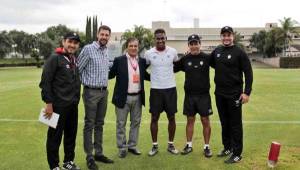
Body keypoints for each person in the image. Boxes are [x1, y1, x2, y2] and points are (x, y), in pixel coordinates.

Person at [210, 26, 253, 164]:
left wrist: (246, 93)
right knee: (224, 122)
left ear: (232, 36)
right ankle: (227, 147)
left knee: (235, 124)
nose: (226, 38)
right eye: (224, 35)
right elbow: (208, 61)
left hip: (234, 94)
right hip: (220, 94)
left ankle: (237, 153)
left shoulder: (239, 52)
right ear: (221, 37)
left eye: (228, 35)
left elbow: (248, 72)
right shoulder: (217, 51)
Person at [39, 32, 81, 170]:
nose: (72, 45)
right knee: (54, 138)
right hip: (57, 106)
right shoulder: (54, 58)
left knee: (71, 135)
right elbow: (45, 83)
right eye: (70, 42)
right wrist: (48, 104)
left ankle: (68, 161)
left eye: (75, 43)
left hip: (72, 105)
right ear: (63, 42)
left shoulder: (74, 58)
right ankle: (54, 166)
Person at [77, 25, 113, 170]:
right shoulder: (88, 49)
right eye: (102, 34)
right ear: (98, 35)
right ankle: (89, 156)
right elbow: (78, 69)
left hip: (104, 92)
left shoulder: (106, 51)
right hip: (91, 92)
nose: (104, 37)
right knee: (89, 124)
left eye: (107, 35)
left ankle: (99, 153)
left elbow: (108, 67)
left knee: (100, 124)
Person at [109, 38, 150, 158]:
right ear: (127, 47)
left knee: (135, 123)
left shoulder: (142, 61)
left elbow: (146, 76)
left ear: (138, 47)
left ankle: (132, 146)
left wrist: (160, 76)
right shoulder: (119, 60)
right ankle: (122, 148)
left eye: (135, 46)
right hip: (123, 97)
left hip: (137, 97)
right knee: (121, 123)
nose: (133, 48)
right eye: (131, 46)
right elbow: (110, 74)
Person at [174, 34, 213, 158]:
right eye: (191, 43)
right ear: (188, 45)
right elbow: (173, 68)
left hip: (203, 96)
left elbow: (221, 65)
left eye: (196, 43)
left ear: (200, 44)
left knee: (205, 120)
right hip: (190, 96)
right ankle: (189, 145)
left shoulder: (207, 58)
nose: (194, 46)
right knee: (190, 120)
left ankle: (206, 147)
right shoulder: (185, 59)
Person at [144, 28, 179, 156]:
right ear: (154, 39)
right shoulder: (149, 53)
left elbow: (177, 66)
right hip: (156, 90)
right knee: (154, 118)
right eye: (157, 38)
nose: (160, 40)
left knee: (171, 117)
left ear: (165, 38)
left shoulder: (173, 52)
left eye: (162, 38)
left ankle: (170, 144)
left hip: (170, 89)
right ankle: (154, 146)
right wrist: (152, 78)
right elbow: (143, 69)